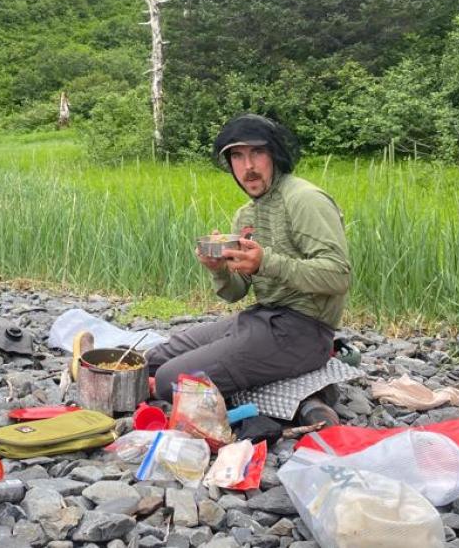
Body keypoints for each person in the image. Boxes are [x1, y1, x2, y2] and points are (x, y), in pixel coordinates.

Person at [145, 114, 351, 423]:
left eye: (257, 153)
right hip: (259, 319)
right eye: (237, 156)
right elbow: (236, 292)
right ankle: (276, 382)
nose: (248, 166)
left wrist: (266, 262)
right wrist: (218, 269)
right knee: (154, 360)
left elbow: (338, 275)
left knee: (168, 381)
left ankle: (309, 393)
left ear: (275, 155)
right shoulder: (245, 216)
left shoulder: (304, 199)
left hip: (304, 331)